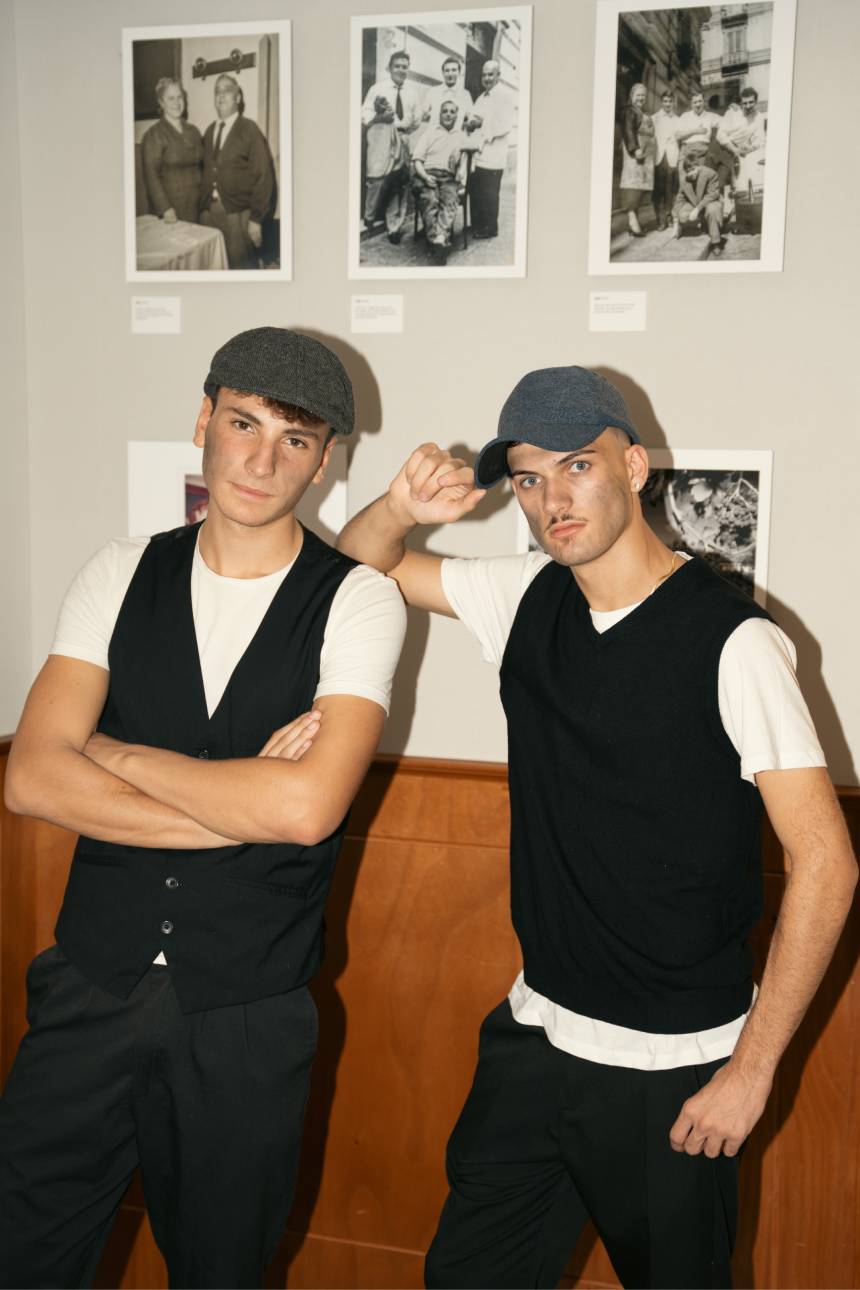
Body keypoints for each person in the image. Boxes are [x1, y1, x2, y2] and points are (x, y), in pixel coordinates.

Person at [336, 366, 857, 1289]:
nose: (553, 500)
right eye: (529, 479)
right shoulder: (526, 597)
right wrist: (397, 507)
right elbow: (360, 567)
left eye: (577, 465)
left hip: (675, 1068)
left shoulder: (733, 642)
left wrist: (751, 1072)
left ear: (636, 466)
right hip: (535, 1035)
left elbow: (826, 863)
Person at [0, 327, 406, 1288]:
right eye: (243, 424)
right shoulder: (118, 570)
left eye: (295, 440)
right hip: (88, 986)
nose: (262, 461)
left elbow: (307, 812)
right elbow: (30, 780)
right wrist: (243, 804)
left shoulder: (359, 601)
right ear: (203, 421)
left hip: (246, 1018)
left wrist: (117, 755)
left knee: (223, 1271)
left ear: (325, 461)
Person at [200, 74, 277, 269]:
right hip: (209, 215)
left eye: (227, 90)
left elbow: (264, 177)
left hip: (238, 216)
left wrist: (256, 220)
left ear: (238, 97)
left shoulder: (249, 129)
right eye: (217, 91)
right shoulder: (209, 131)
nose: (221, 95)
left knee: (240, 268)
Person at [360, 50, 423, 244]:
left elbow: (417, 120)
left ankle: (394, 226)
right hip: (382, 135)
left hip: (402, 138)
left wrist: (404, 132)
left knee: (399, 182)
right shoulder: (377, 89)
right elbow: (364, 114)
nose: (401, 70)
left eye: (404, 67)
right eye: (397, 66)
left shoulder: (412, 93)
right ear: (389, 68)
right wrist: (381, 118)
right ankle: (369, 217)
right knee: (376, 178)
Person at [412, 100, 470, 265]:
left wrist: (462, 181)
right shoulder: (430, 133)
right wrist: (425, 177)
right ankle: (438, 240)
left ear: (456, 116)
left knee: (449, 202)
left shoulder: (461, 136)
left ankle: (438, 240)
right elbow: (417, 160)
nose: (448, 114)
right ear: (439, 114)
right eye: (445, 111)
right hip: (428, 174)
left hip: (449, 177)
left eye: (452, 112)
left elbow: (465, 160)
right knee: (430, 200)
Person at [140, 77, 203, 225]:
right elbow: (151, 176)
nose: (177, 102)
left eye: (179, 97)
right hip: (170, 212)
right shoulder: (153, 135)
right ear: (161, 103)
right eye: (171, 98)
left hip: (195, 207)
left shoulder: (194, 131)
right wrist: (165, 208)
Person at [469, 60, 515, 239]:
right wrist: (471, 122)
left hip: (495, 152)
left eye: (490, 74)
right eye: (484, 75)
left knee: (490, 192)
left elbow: (505, 124)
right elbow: (474, 116)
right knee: (477, 190)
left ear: (498, 76)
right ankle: (477, 225)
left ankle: (490, 228)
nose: (487, 78)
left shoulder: (505, 95)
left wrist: (482, 124)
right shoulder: (481, 97)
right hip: (479, 152)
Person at [619, 82, 656, 237]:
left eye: (643, 95)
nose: (641, 98)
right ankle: (633, 222)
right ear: (632, 96)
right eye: (638, 95)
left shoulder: (643, 112)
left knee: (640, 188)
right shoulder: (629, 111)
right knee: (632, 186)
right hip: (636, 155)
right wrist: (635, 149)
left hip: (646, 156)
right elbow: (628, 131)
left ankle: (634, 222)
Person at [673, 155, 726, 256]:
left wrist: (697, 209)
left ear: (699, 167)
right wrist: (675, 220)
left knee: (712, 210)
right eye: (687, 171)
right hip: (696, 203)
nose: (690, 173)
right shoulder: (685, 180)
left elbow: (712, 195)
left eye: (693, 170)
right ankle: (704, 223)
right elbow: (679, 199)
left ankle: (716, 242)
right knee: (682, 215)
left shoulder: (710, 174)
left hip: (712, 202)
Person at [421, 55, 475, 137]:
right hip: (434, 138)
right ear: (443, 73)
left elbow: (471, 119)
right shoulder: (433, 92)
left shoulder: (465, 95)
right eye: (447, 70)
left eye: (454, 70)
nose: (450, 74)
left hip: (455, 139)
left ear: (459, 72)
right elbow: (423, 114)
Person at [651, 88, 680, 230]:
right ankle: (661, 220)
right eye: (665, 101)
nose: (668, 104)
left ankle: (669, 215)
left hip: (672, 156)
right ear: (661, 102)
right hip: (658, 156)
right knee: (658, 190)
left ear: (673, 103)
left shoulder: (678, 119)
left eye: (670, 101)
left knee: (670, 189)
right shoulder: (654, 118)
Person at [675, 89, 721, 166]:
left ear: (704, 102)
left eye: (700, 101)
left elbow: (726, 121)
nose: (698, 105)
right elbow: (677, 136)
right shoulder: (685, 116)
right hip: (686, 151)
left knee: (700, 173)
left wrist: (734, 110)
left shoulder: (710, 116)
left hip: (702, 153)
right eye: (695, 102)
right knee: (683, 173)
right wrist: (695, 131)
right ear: (691, 104)